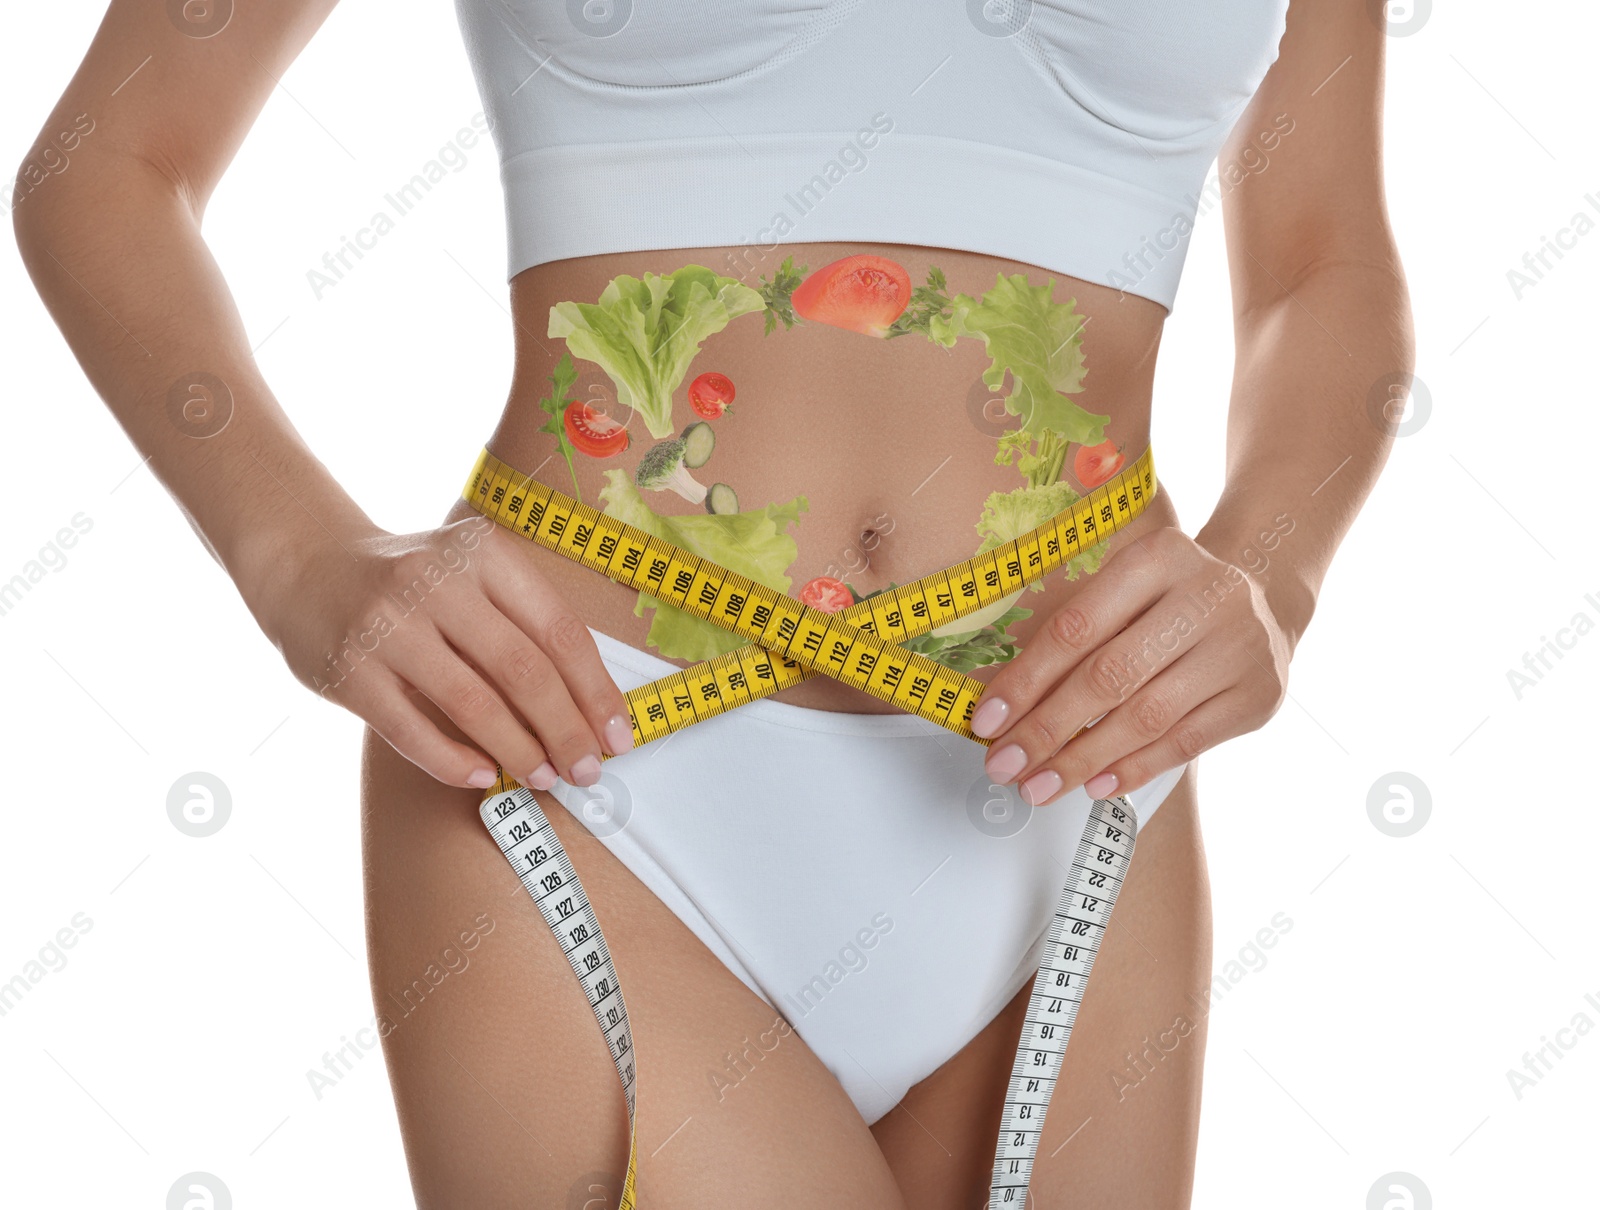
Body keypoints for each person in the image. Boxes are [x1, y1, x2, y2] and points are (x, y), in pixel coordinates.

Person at [13, 0, 1412, 1204]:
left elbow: (1321, 257)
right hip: (578, 734)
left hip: (1081, 759)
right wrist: (295, 559)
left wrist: (1271, 572)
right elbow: (107, 169)